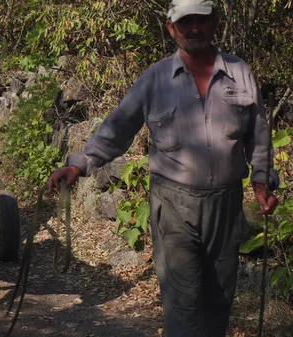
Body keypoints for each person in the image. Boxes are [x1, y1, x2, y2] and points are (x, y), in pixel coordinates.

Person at [46, 1, 279, 336]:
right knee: (183, 302)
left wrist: (262, 181)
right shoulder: (155, 80)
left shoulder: (240, 72)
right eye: (186, 23)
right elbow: (118, 128)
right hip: (172, 204)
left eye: (202, 20)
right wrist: (79, 164)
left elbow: (258, 135)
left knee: (219, 299)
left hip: (226, 205)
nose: (194, 29)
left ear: (215, 22)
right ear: (171, 29)